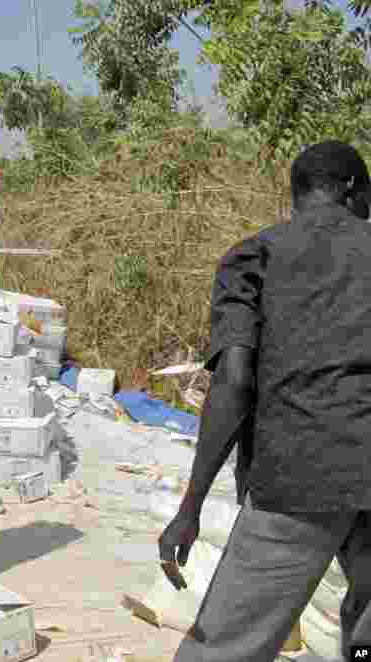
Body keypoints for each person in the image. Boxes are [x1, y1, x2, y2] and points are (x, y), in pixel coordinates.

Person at [159, 140, 371, 661]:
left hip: (298, 479)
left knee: (225, 648)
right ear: (351, 189)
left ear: (297, 195)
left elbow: (233, 380)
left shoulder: (256, 256)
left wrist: (191, 506)